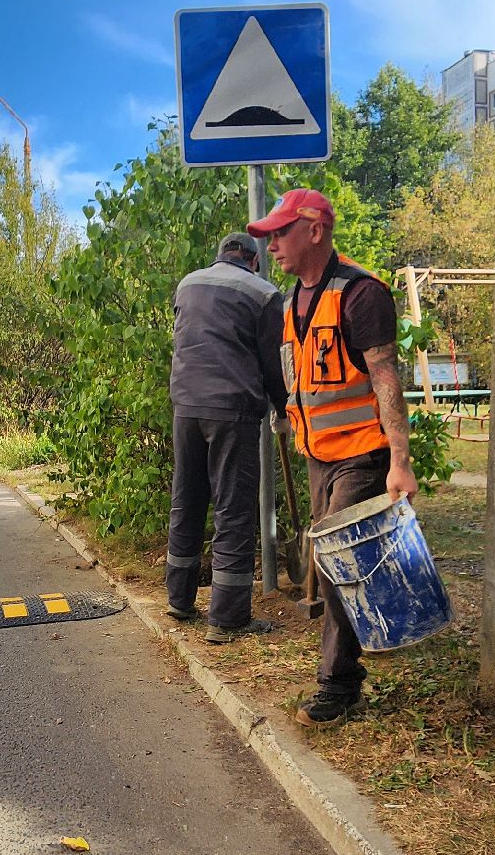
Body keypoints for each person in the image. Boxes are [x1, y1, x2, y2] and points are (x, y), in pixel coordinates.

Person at [248, 189, 418, 727]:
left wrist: (400, 459)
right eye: (268, 235)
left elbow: (385, 379)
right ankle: (386, 629)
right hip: (319, 454)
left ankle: (339, 685)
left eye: (281, 232)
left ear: (316, 229)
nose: (272, 244)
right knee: (339, 564)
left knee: (338, 564)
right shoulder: (292, 300)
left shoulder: (361, 294)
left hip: (362, 454)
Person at [165, 232, 289, 643]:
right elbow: (273, 361)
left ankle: (179, 600)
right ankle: (228, 619)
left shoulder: (188, 283)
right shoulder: (263, 293)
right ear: (254, 261)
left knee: (187, 499)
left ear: (218, 256)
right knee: (233, 510)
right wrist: (281, 407)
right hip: (232, 411)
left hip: (185, 406)